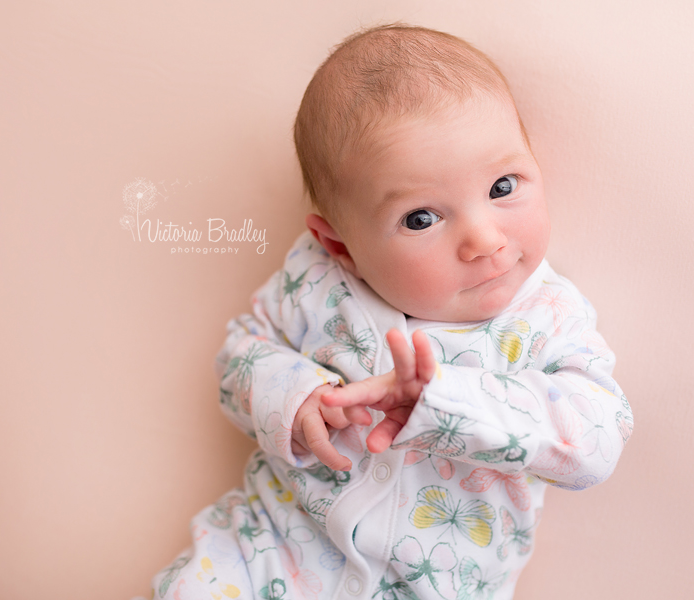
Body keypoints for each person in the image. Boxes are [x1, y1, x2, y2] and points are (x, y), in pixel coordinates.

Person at [144, 23, 633, 600]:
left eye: (504, 185)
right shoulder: (317, 279)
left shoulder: (548, 315)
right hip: (270, 550)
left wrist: (444, 401)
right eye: (422, 218)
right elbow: (239, 356)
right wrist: (293, 391)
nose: (484, 238)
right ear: (341, 246)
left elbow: (596, 441)